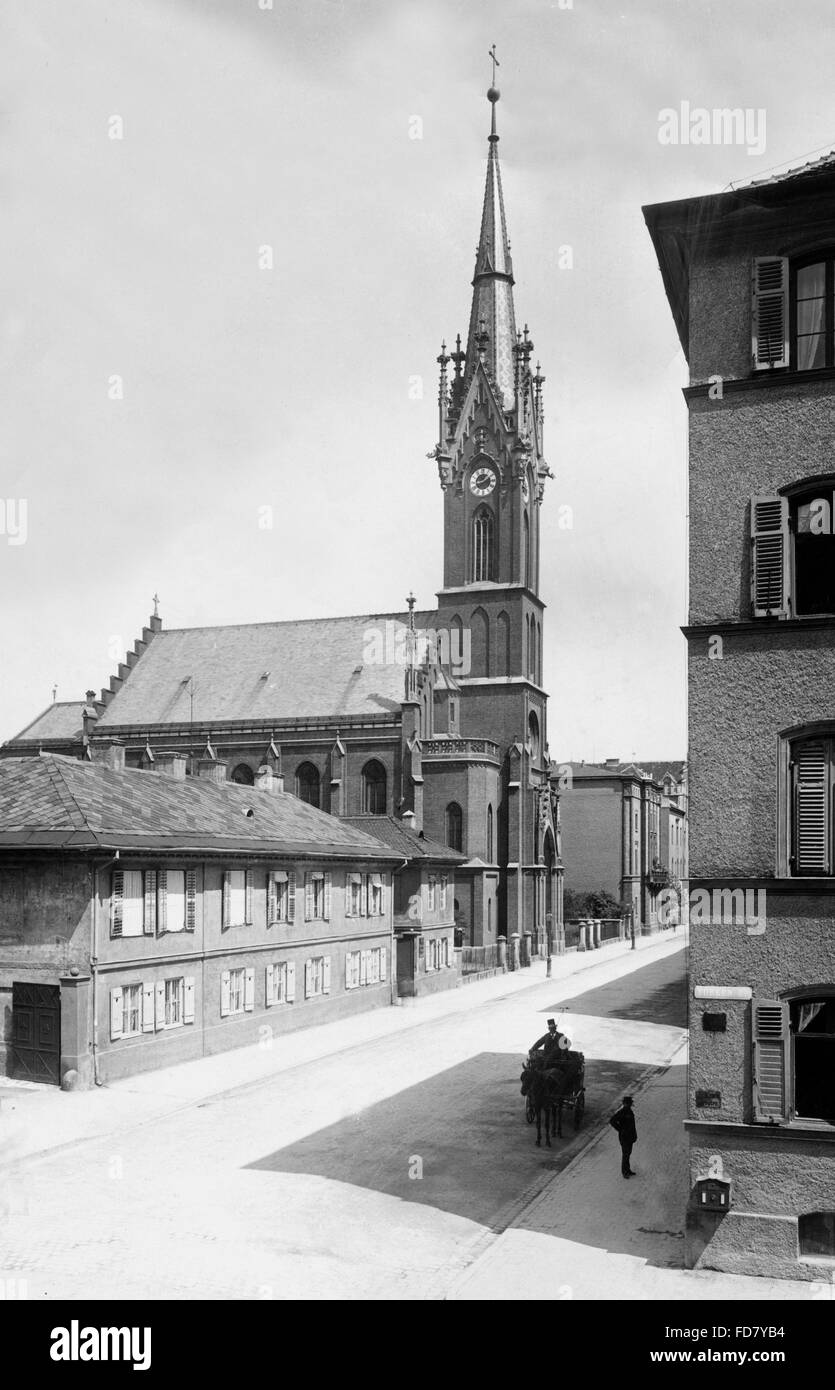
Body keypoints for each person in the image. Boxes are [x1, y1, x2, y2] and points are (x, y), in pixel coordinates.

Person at [610, 1096, 637, 1177]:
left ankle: (627, 1170)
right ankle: (624, 1172)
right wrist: (620, 1129)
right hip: (624, 1137)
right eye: (628, 1103)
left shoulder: (629, 1111)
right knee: (625, 1154)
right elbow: (612, 1121)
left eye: (629, 1104)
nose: (628, 1105)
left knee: (628, 1154)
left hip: (630, 1137)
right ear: (625, 1104)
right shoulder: (622, 1112)